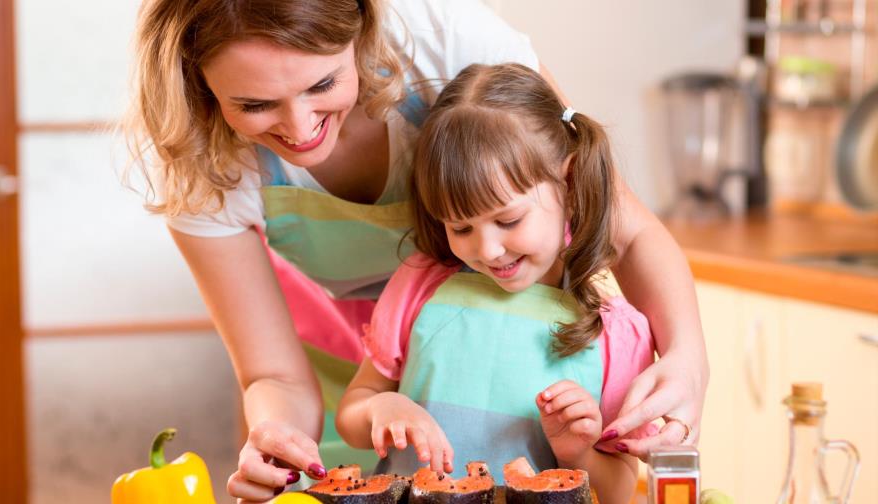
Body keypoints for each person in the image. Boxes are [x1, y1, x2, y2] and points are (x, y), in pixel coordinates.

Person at [125, 0, 707, 501]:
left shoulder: (440, 40)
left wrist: (687, 357)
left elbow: (624, 228)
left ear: (360, 32)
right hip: (361, 373)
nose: (300, 128)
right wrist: (277, 440)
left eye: (323, 84)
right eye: (255, 105)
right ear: (199, 87)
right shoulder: (196, 159)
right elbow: (274, 374)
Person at [336, 62, 660, 504]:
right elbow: (353, 410)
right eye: (461, 227)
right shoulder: (420, 284)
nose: (487, 250)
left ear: (567, 179)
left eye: (507, 219)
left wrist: (578, 451)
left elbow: (621, 489)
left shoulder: (615, 335)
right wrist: (379, 407)